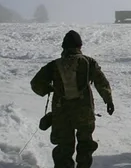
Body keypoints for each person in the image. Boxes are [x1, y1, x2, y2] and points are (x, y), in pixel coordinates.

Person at [30, 30, 114, 168]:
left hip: (61, 113)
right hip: (84, 112)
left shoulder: (53, 65)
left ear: (64, 47)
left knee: (64, 147)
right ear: (79, 46)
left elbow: (35, 84)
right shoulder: (89, 62)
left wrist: (49, 89)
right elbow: (101, 82)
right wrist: (108, 100)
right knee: (85, 144)